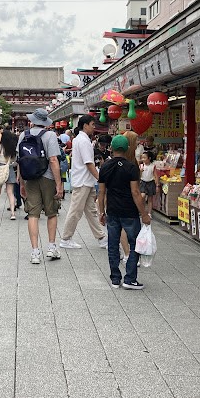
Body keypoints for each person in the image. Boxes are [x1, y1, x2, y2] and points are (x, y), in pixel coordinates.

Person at [97, 135, 151, 290]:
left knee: (113, 245)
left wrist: (102, 212)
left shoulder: (105, 167)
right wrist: (144, 214)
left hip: (112, 211)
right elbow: (135, 192)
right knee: (135, 244)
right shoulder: (131, 167)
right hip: (129, 212)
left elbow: (101, 193)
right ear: (128, 148)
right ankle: (130, 278)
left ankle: (115, 279)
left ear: (112, 148)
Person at [17, 108, 63, 264]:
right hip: (48, 177)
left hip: (29, 178)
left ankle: (35, 252)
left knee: (33, 214)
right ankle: (51, 247)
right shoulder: (50, 136)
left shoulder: (23, 135)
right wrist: (59, 184)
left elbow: (20, 160)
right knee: (51, 212)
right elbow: (54, 160)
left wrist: (21, 182)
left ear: (32, 120)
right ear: (45, 122)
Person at [60, 115, 107, 249]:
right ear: (85, 125)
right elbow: (89, 163)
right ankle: (65, 238)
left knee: (91, 211)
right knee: (75, 210)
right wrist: (100, 178)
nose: (94, 127)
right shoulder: (84, 141)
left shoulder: (80, 139)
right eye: (92, 124)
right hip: (83, 181)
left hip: (85, 181)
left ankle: (102, 238)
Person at [0, 130, 18, 219]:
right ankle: (13, 213)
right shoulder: (12, 148)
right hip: (9, 169)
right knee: (10, 193)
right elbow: (15, 162)